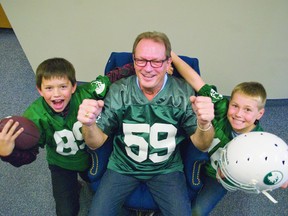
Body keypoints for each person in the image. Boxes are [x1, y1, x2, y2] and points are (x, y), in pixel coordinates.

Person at [77, 31, 215, 216]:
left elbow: (202, 144)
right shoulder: (119, 91)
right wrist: (89, 124)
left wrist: (204, 124)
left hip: (166, 169)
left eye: (156, 61)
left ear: (168, 63)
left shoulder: (183, 93)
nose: (148, 68)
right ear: (134, 61)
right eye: (141, 60)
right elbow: (95, 142)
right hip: (122, 165)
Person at [171, 52, 288, 216]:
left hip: (220, 178)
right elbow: (196, 80)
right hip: (197, 156)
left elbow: (276, 173)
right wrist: (172, 56)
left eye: (247, 110)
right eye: (235, 106)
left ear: (259, 114)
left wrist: (279, 176)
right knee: (171, 195)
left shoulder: (261, 143)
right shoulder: (221, 105)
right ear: (229, 102)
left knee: (197, 211)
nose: (238, 114)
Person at [0, 57, 112, 216]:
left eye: (63, 86)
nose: (57, 94)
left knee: (104, 191)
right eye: (49, 88)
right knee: (65, 212)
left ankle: (84, 181)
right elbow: (30, 155)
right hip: (62, 164)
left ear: (74, 87)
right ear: (39, 90)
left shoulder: (86, 92)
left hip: (91, 157)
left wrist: (138, 64)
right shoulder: (35, 117)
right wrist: (7, 153)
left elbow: (111, 78)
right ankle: (75, 187)